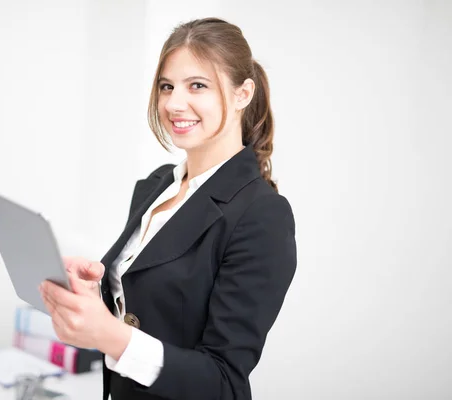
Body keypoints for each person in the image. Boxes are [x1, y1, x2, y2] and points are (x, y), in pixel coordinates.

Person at [39, 17, 297, 400]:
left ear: (243, 94)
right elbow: (146, 311)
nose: (175, 103)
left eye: (197, 85)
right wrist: (92, 296)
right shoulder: (157, 185)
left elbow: (223, 381)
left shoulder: (262, 214)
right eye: (166, 86)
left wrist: (110, 335)